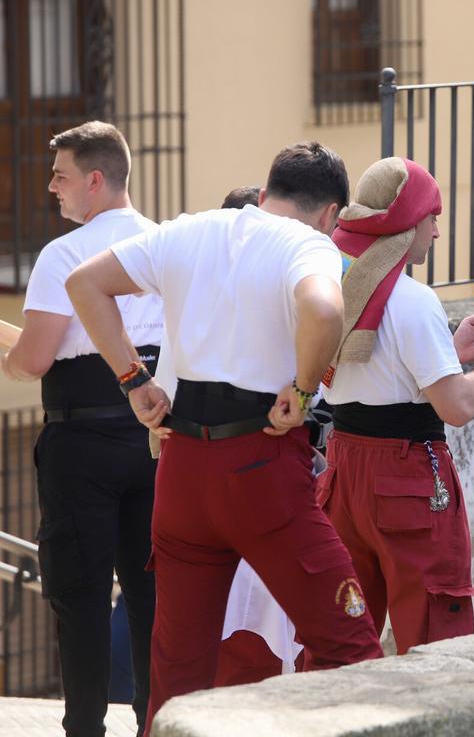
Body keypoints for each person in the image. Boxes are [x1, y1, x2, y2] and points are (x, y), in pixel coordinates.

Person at [64, 141, 383, 730]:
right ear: (332, 215)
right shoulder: (308, 244)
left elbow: (84, 283)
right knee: (352, 648)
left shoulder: (190, 230)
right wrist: (304, 388)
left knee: (177, 679)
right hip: (260, 466)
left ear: (265, 194)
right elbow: (324, 310)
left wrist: (135, 382)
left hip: (182, 472)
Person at [320, 157, 474, 653]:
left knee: (343, 633)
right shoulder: (413, 301)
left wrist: (448, 353)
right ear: (407, 222)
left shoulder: (331, 285)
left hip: (344, 466)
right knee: (433, 636)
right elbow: (456, 406)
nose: (435, 231)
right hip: (408, 476)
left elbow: (380, 372)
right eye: (432, 217)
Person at [0, 121, 161, 737]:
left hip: (81, 440)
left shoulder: (63, 255)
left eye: (61, 177)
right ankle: (156, 724)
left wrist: (12, 358)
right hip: (152, 434)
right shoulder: (163, 243)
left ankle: (86, 731)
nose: (51, 189)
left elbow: (37, 360)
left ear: (95, 181)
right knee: (152, 595)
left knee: (80, 597)